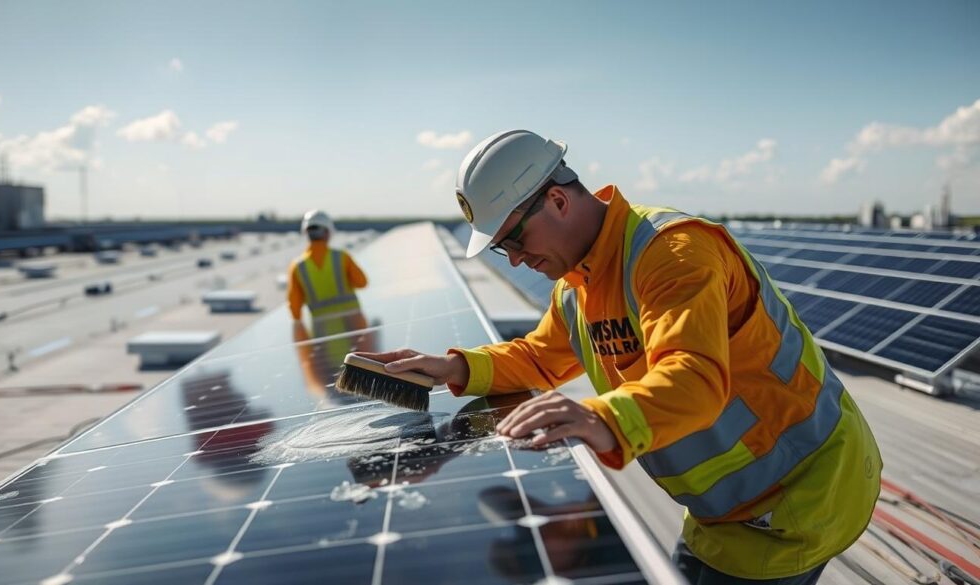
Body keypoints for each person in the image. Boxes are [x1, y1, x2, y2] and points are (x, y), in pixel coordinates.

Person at [360, 129, 882, 584]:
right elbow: (540, 357)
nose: (515, 258)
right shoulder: (577, 285)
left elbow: (694, 378)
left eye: (513, 238)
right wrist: (455, 368)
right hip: (724, 513)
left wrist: (599, 415)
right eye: (502, 249)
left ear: (559, 202)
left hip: (799, 496)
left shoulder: (673, 253)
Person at [287, 209, 368, 321]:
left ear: (306, 233)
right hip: (354, 328)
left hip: (322, 332)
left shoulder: (297, 266)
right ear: (327, 232)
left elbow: (295, 309)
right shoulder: (342, 257)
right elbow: (362, 283)